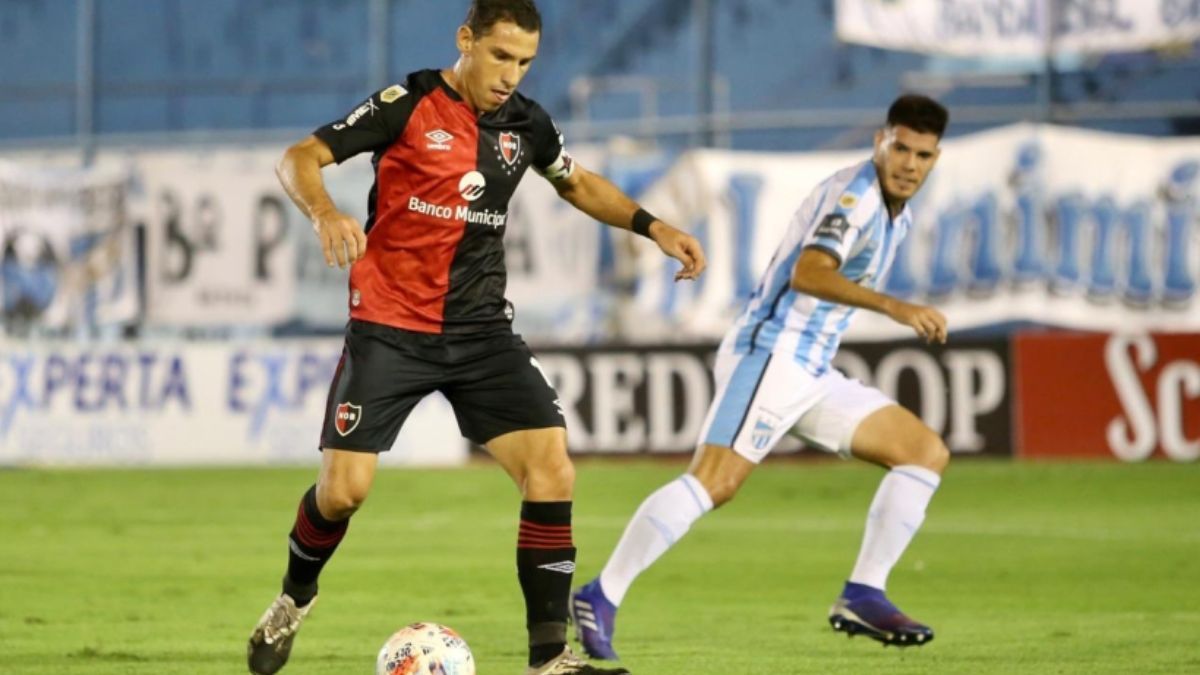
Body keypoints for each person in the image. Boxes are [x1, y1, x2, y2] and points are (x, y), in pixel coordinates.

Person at [246, 2, 706, 674]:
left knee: (552, 468)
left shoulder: (526, 124)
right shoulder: (407, 104)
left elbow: (576, 182)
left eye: (525, 62)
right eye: (500, 56)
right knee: (343, 492)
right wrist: (324, 212)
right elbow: (299, 157)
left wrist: (654, 226)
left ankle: (549, 657)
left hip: (482, 331)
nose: (511, 75)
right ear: (466, 40)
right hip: (390, 327)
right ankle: (295, 596)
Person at [571, 95, 951, 660]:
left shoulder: (899, 212)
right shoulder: (857, 198)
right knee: (714, 482)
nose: (909, 164)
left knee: (923, 453)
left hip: (811, 369)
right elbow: (809, 273)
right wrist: (895, 308)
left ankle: (864, 592)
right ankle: (601, 595)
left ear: (934, 158)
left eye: (922, 154)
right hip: (772, 353)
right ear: (881, 141)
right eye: (901, 148)